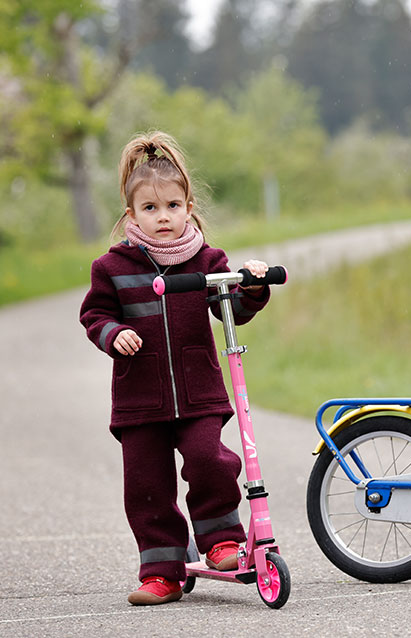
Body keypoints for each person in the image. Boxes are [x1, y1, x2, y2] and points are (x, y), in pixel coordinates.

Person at [79, 132, 272, 605]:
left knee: (210, 459)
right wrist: (112, 333)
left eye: (172, 205)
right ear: (131, 216)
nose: (163, 217)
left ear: (189, 207)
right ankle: (161, 570)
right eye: (150, 208)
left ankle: (223, 541)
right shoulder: (112, 267)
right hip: (139, 397)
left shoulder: (207, 261)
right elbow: (94, 314)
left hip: (198, 389)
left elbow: (232, 309)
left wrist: (252, 285)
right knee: (146, 485)